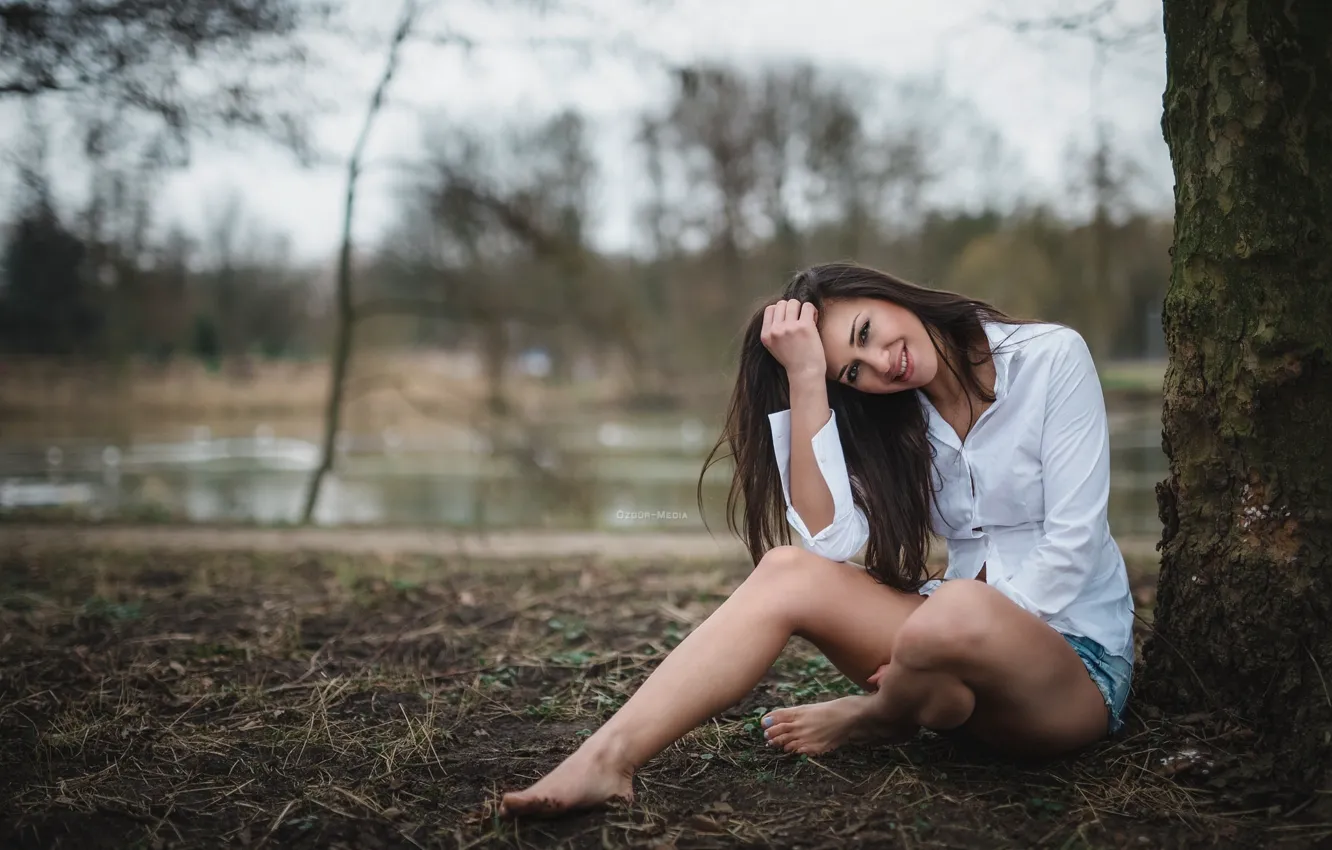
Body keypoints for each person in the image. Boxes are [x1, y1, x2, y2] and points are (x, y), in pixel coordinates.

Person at [500, 262, 1134, 817]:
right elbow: (828, 544)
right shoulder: (898, 415)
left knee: (959, 609)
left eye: (866, 333)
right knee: (787, 570)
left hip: (1070, 669)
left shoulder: (1051, 357)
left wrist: (932, 641)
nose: (884, 364)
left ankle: (883, 715)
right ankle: (606, 759)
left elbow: (1074, 544)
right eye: (854, 371)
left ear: (881, 292)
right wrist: (808, 379)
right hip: (944, 654)